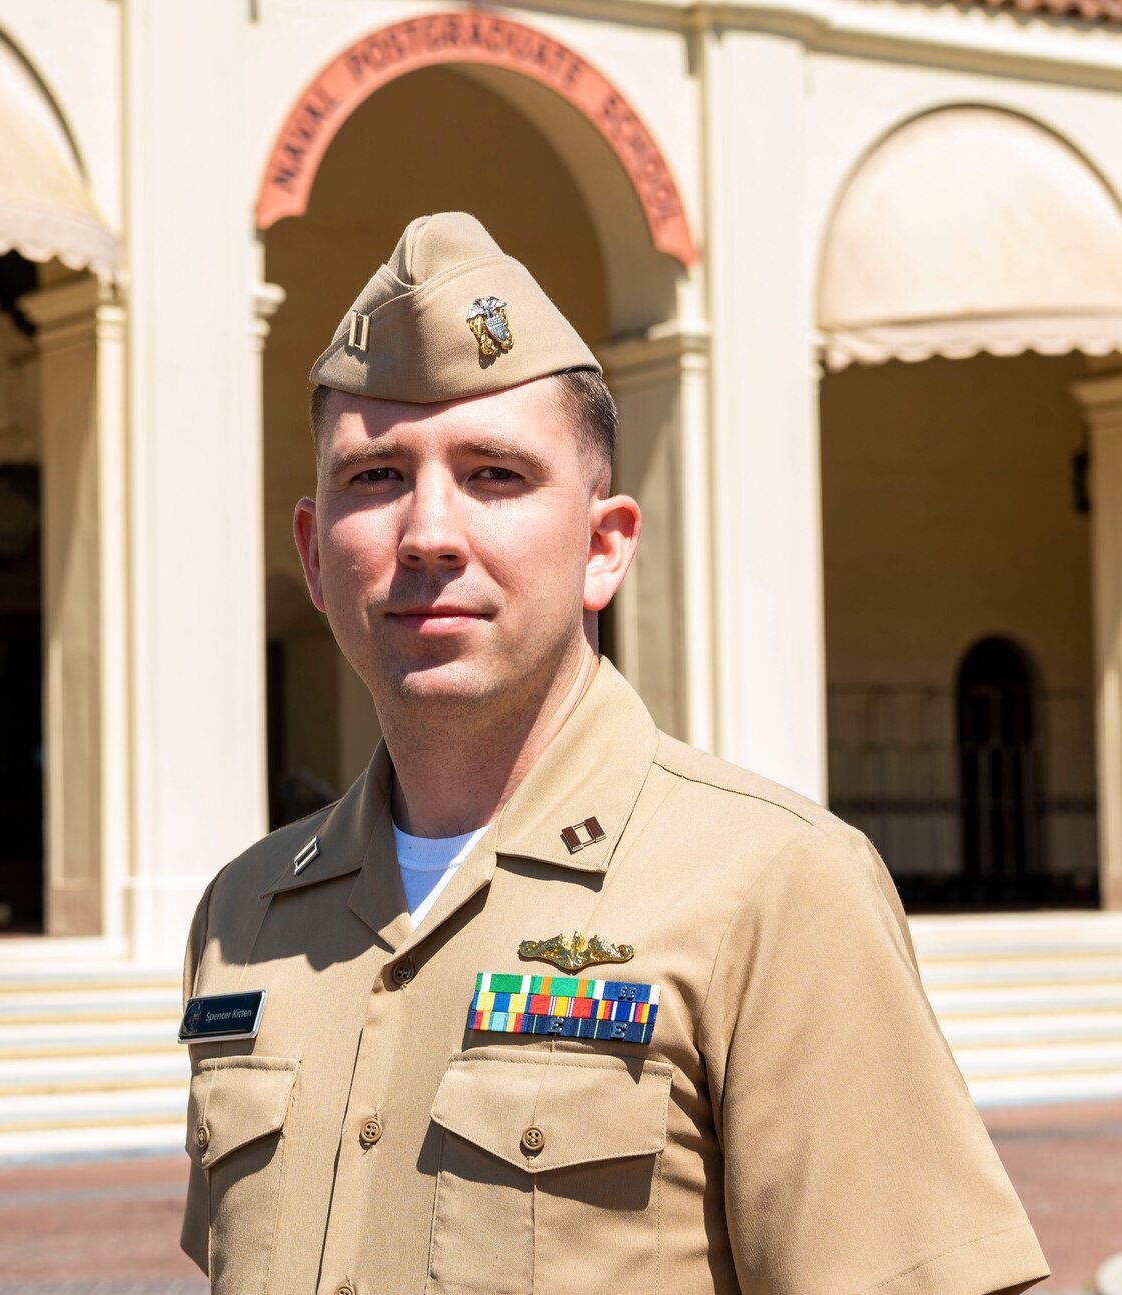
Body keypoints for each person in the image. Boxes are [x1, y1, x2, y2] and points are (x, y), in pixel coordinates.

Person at [178, 211, 1048, 1295]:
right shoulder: (246, 918)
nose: (428, 533)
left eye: (494, 474)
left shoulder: (771, 886)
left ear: (603, 546)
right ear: (315, 556)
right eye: (378, 475)